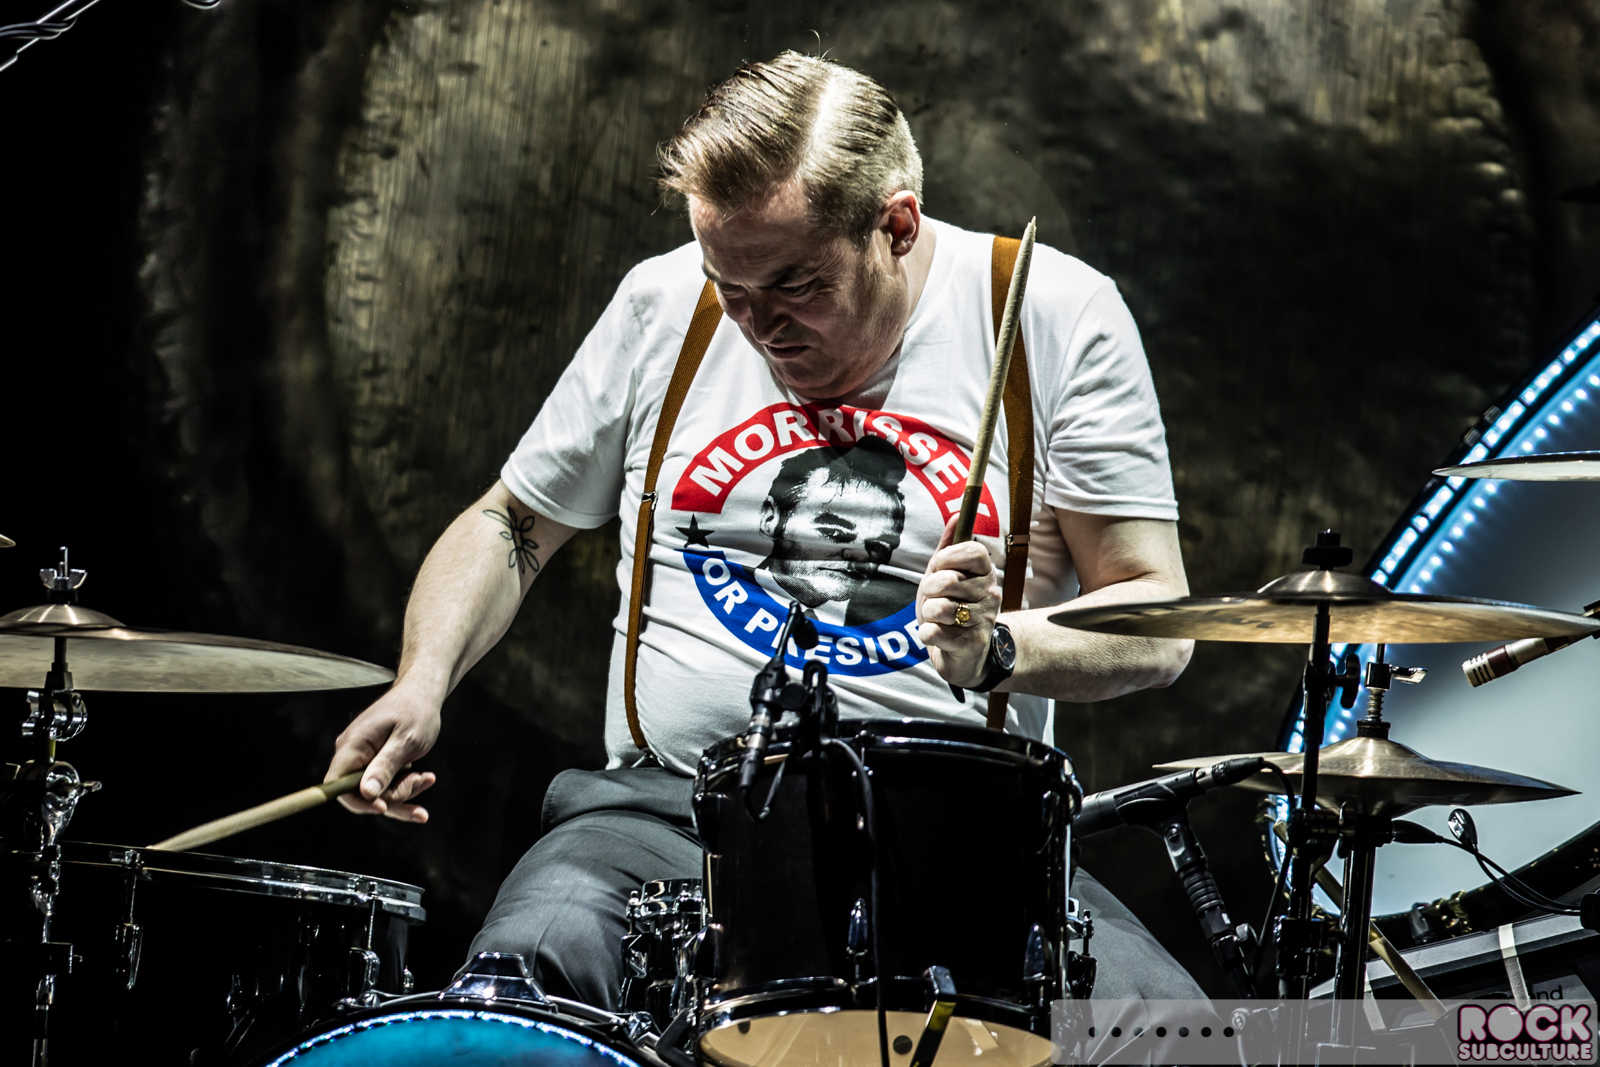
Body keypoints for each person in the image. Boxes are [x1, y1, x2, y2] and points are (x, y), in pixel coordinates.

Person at [324, 51, 1201, 1012]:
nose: (758, 325)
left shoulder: (1051, 313)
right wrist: (422, 679)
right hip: (666, 813)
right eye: (730, 288)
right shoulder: (664, 304)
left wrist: (999, 647)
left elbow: (1157, 618)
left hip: (958, 833)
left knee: (1187, 1037)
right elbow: (512, 520)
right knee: (516, 991)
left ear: (897, 226)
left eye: (795, 285)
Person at [758, 435, 916, 625]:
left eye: (877, 546)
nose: (858, 555)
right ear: (771, 519)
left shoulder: (903, 615)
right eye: (835, 533)